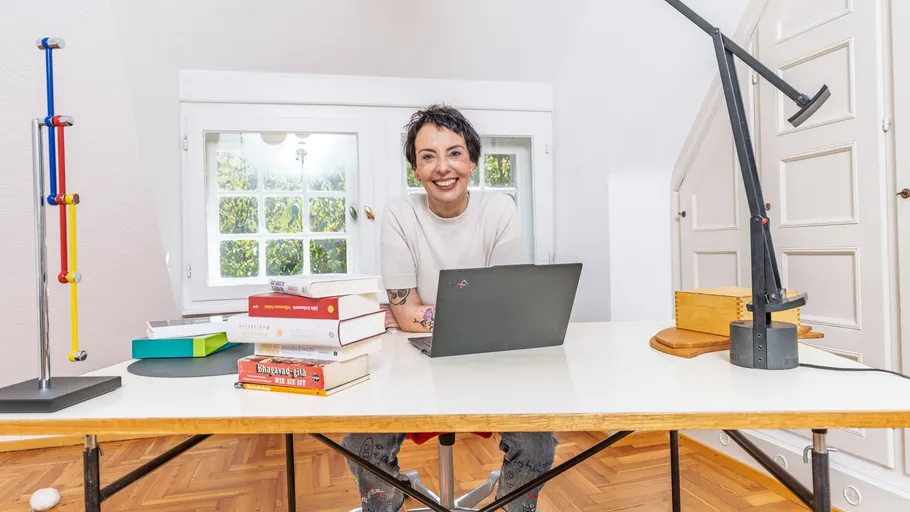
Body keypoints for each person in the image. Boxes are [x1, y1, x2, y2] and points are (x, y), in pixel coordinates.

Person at [341, 105, 558, 512]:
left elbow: (504, 307)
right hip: (412, 363)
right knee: (361, 444)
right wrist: (447, 309)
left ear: (472, 161)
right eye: (428, 156)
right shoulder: (399, 215)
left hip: (487, 358)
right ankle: (387, 501)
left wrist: (419, 311)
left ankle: (510, 506)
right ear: (415, 168)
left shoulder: (499, 210)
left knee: (537, 443)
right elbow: (406, 317)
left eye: (455, 153)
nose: (443, 167)